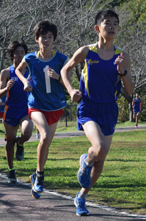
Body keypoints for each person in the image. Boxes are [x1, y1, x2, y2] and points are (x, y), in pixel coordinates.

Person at [61, 9, 133, 216]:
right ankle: (85, 160)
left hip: (110, 108)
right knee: (99, 147)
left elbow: (129, 90)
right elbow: (65, 70)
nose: (111, 27)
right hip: (89, 106)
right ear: (97, 28)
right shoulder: (86, 51)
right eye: (107, 23)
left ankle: (82, 196)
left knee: (100, 161)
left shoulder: (122, 56)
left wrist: (122, 72)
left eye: (115, 24)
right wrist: (71, 90)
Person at [15, 22, 67, 196]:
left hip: (55, 106)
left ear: (54, 39)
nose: (46, 40)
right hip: (36, 105)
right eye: (43, 36)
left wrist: (58, 76)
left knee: (46, 142)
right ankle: (40, 175)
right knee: (44, 136)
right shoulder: (30, 58)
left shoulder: (61, 59)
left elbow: (68, 84)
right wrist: (25, 82)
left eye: (50, 37)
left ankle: (36, 173)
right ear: (36, 39)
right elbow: (18, 70)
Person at [0, 41, 33, 183]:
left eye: (22, 53)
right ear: (11, 55)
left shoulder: (31, 70)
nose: (19, 56)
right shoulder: (6, 72)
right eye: (17, 53)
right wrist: (6, 88)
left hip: (26, 109)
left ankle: (21, 143)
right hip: (10, 110)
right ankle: (11, 170)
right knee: (9, 141)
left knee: (27, 132)